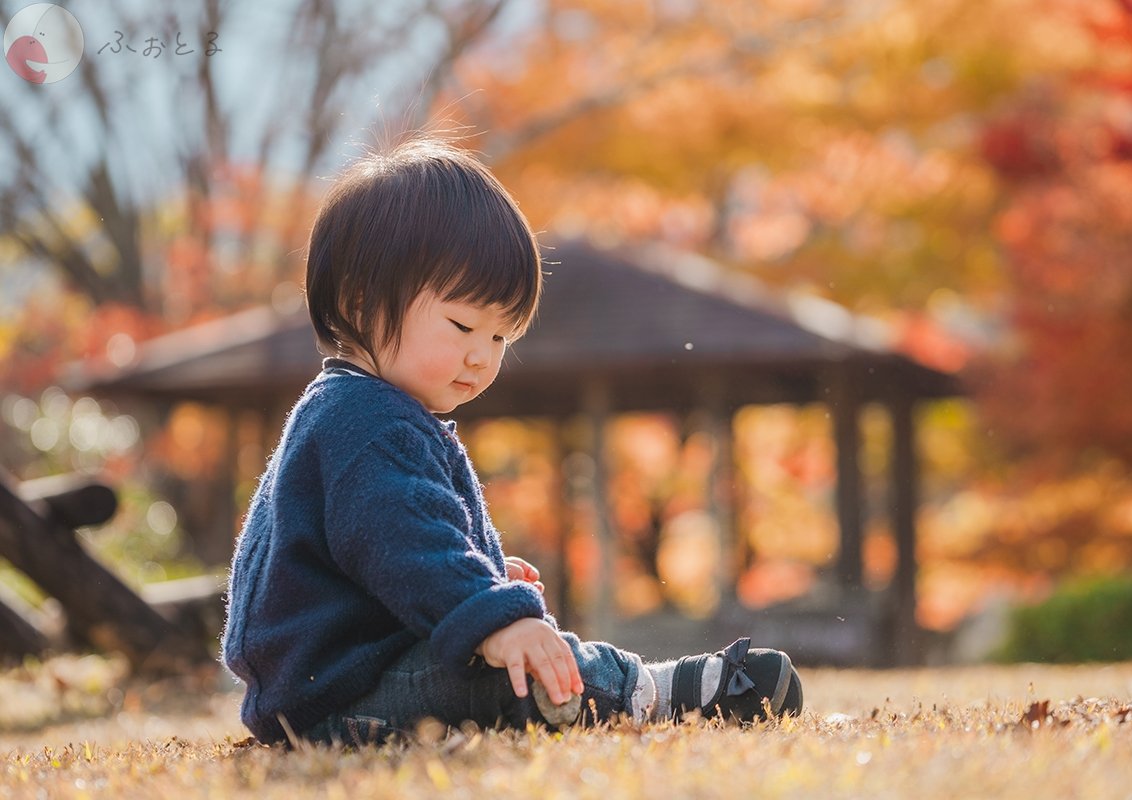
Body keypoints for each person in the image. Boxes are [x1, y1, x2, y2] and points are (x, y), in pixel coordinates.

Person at [220, 135, 803, 746]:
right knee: (513, 671)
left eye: (500, 337)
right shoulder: (365, 422)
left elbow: (388, 552)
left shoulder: (358, 411)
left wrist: (484, 575)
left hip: (336, 682)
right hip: (345, 691)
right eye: (463, 324)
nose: (481, 356)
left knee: (514, 656)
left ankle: (610, 687)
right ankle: (658, 691)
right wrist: (486, 611)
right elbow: (406, 542)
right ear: (361, 301)